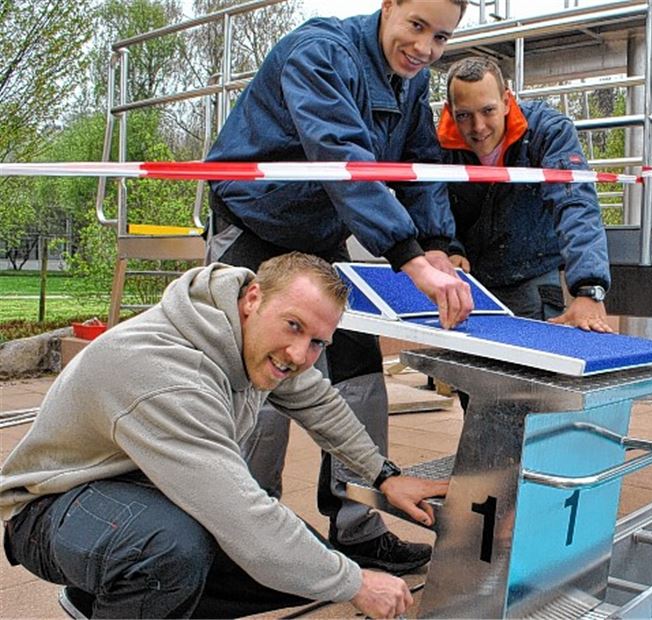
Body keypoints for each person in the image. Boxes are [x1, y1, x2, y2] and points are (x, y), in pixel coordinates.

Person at [0, 253, 447, 619]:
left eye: (318, 342)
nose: (300, 353)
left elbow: (320, 403)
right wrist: (355, 583)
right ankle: (130, 591)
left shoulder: (252, 336)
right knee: (171, 549)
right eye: (294, 326)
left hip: (138, 493)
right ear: (252, 297)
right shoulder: (166, 374)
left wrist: (384, 474)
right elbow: (241, 514)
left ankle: (110, 601)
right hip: (50, 510)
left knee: (297, 565)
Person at [204, 0, 471, 574]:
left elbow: (419, 166)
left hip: (322, 235)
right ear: (389, 6)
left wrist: (437, 247)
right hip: (255, 225)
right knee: (258, 381)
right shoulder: (320, 52)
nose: (425, 48)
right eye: (416, 26)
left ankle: (358, 524)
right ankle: (243, 536)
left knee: (358, 375)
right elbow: (341, 154)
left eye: (442, 37)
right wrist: (405, 254)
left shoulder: (412, 79)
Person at [437, 56, 613, 332]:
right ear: (449, 110)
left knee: (538, 366)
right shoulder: (436, 145)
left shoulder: (548, 132)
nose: (478, 127)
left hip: (533, 273)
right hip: (468, 281)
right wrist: (449, 247)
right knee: (468, 369)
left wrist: (589, 287)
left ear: (508, 101)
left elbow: (575, 202)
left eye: (488, 111)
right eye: (464, 115)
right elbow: (428, 201)